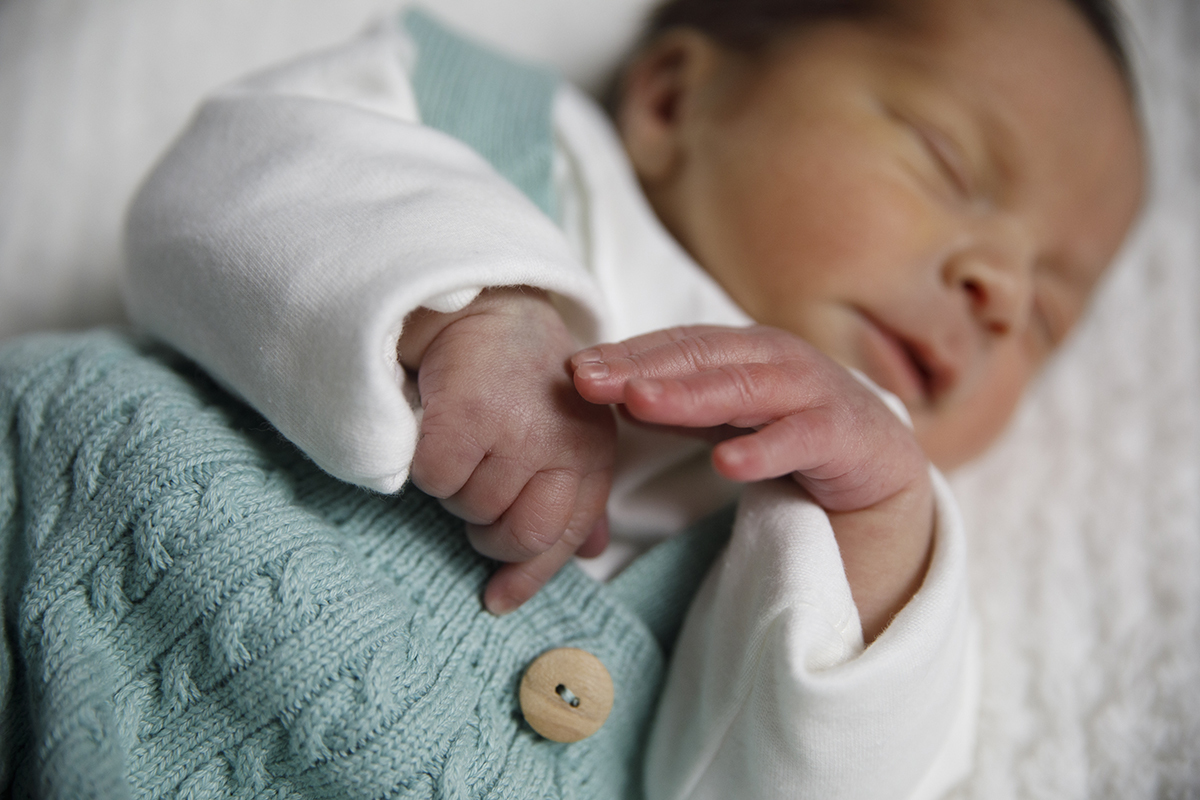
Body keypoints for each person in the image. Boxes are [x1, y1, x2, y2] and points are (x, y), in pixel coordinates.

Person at [123, 0, 1144, 796]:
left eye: (1049, 313)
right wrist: (466, 301)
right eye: (948, 160)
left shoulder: (837, 510)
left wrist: (880, 536)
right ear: (670, 101)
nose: (1001, 289)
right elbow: (207, 203)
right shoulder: (475, 123)